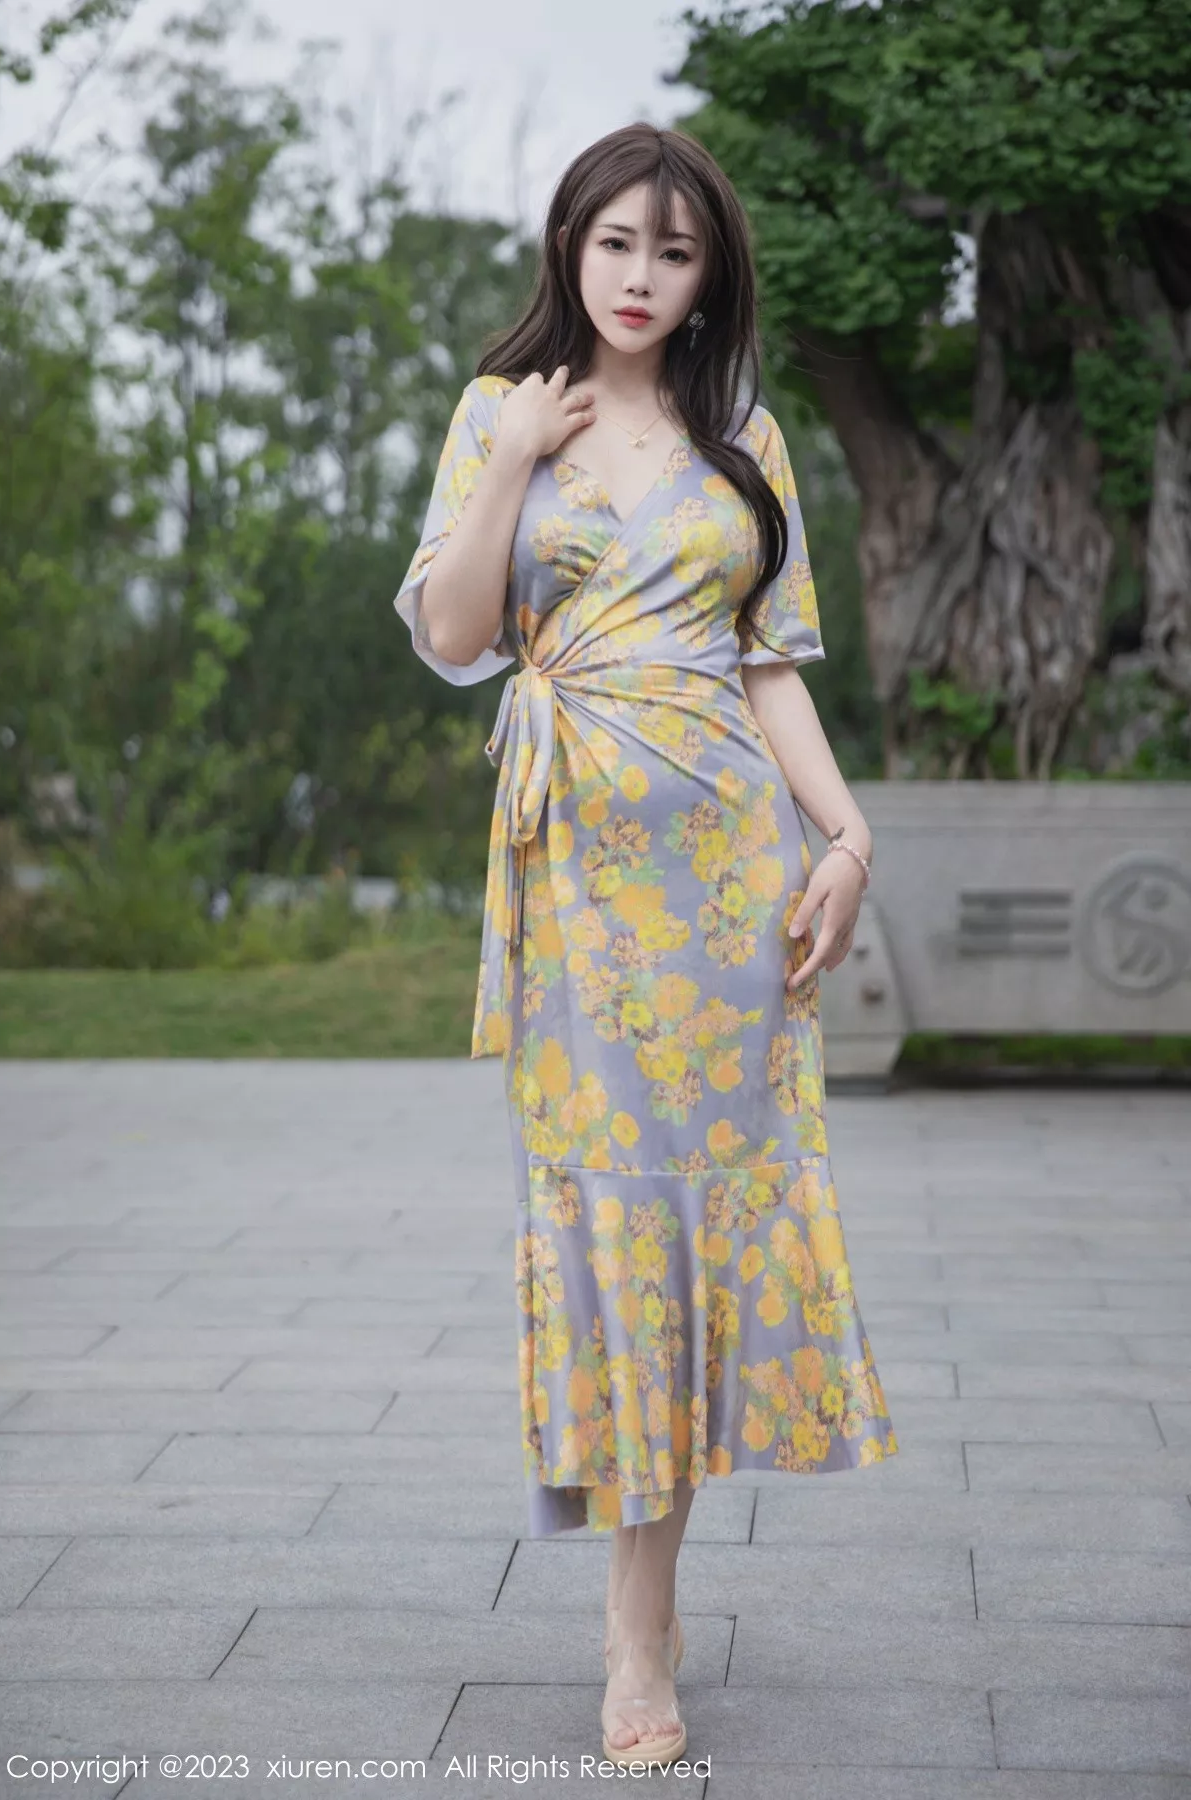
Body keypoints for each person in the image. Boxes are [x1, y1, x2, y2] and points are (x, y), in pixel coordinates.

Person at [394, 120, 898, 1768]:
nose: (640, 277)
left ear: (708, 275)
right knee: (612, 1225)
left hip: (728, 892)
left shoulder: (746, 435)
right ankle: (637, 1612)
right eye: (616, 242)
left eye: (674, 254)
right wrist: (514, 463)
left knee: (691, 1227)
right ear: (569, 246)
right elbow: (453, 633)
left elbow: (770, 662)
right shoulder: (499, 410)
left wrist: (844, 837)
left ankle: (642, 1620)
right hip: (576, 895)